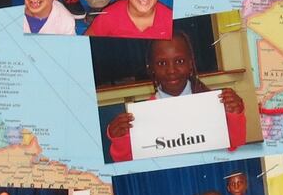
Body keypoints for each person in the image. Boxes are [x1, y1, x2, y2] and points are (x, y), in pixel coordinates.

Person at [104, 32, 248, 163]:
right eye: (161, 63)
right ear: (151, 68)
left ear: (191, 63)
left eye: (179, 61)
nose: (171, 71)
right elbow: (127, 162)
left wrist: (235, 115)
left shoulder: (214, 104)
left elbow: (234, 147)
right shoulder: (140, 118)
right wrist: (120, 138)